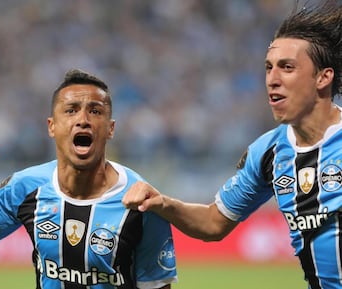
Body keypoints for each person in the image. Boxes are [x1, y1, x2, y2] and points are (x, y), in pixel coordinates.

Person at [122, 1, 342, 288]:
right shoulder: (269, 152)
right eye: (268, 68)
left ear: (323, 78)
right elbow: (214, 223)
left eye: (287, 68)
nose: (272, 79)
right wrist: (163, 203)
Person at [0, 68, 177, 289]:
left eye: (95, 111)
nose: (83, 119)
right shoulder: (24, 188)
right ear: (52, 126)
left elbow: (157, 286)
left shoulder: (141, 201)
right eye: (71, 110)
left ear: (110, 128)